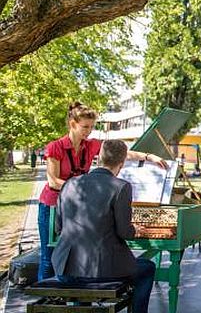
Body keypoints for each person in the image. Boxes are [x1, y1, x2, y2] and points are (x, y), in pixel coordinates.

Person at [38, 102, 165, 286]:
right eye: (85, 127)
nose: (89, 131)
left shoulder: (90, 146)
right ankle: (50, 311)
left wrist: (148, 156)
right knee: (48, 257)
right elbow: (53, 181)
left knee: (83, 252)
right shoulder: (55, 147)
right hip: (53, 203)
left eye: (92, 127)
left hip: (81, 200)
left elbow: (121, 153)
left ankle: (81, 305)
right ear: (73, 124)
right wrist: (84, 188)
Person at [53, 140, 161, 313]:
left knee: (80, 270)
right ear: (121, 163)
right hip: (102, 272)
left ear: (99, 157)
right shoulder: (120, 187)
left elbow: (59, 228)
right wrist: (137, 229)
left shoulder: (70, 183)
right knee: (146, 267)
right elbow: (125, 232)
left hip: (65, 267)